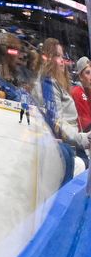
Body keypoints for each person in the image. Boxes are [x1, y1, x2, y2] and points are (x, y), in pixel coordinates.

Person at [35, 38, 90, 178]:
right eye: (57, 56)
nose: (62, 61)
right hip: (68, 146)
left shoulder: (59, 83)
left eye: (62, 56)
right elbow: (57, 122)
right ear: (48, 59)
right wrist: (83, 139)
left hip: (73, 143)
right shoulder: (49, 82)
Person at [70, 56, 91, 133]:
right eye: (87, 73)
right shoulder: (77, 92)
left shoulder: (88, 91)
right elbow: (87, 128)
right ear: (80, 77)